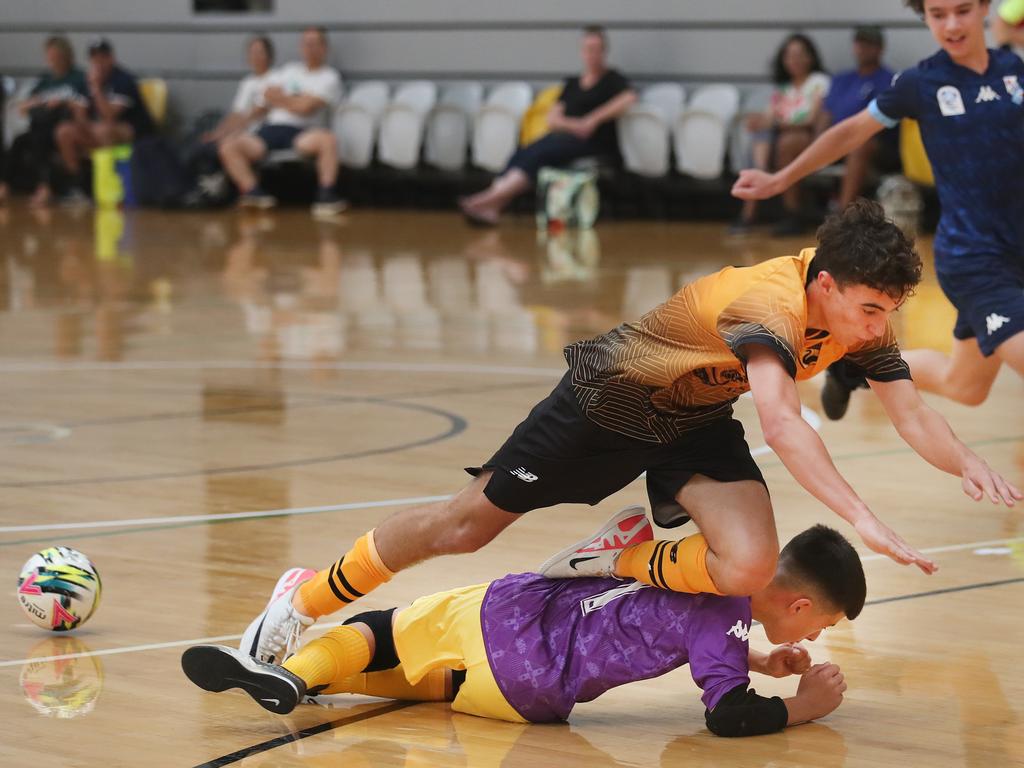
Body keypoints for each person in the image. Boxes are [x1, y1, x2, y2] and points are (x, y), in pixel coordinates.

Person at [236, 199, 1019, 668]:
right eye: (872, 312)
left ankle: (617, 555)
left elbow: (912, 409)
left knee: (747, 564)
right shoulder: (766, 301)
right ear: (824, 284)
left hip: (692, 419)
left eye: (888, 314)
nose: (880, 330)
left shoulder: (858, 316)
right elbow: (780, 420)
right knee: (463, 527)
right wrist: (865, 517)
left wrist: (968, 461)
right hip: (608, 402)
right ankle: (303, 598)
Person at [183, 521, 858, 737]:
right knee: (436, 682)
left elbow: (722, 697)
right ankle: (301, 689)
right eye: (823, 623)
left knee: (383, 629)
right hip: (528, 696)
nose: (818, 637)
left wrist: (776, 679)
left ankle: (290, 672)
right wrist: (797, 699)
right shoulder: (730, 620)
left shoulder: (716, 573)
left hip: (515, 616)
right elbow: (727, 709)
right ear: (797, 607)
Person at [732, 0, 1024, 419]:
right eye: (938, 14)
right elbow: (850, 131)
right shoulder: (921, 83)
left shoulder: (1013, 70)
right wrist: (781, 178)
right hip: (975, 258)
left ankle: (855, 367)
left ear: (984, 8)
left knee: (965, 386)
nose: (951, 24)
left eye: (962, 10)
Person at [458, 26, 636, 226]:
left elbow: (628, 98)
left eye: (596, 49)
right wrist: (575, 125)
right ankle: (494, 202)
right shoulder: (572, 84)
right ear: (581, 52)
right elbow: (553, 119)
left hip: (594, 142)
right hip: (564, 137)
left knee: (541, 155)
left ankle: (491, 199)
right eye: (588, 49)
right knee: (524, 152)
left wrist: (592, 120)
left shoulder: (612, 80)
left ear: (604, 51)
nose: (592, 55)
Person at [217, 26, 346, 218]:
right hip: (271, 130)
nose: (309, 48)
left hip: (302, 132)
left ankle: (326, 195)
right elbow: (267, 96)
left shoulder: (329, 77)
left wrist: (283, 100)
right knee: (229, 146)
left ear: (324, 48)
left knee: (328, 140)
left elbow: (306, 108)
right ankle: (254, 193)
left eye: (314, 43)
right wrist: (297, 99)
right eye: (305, 43)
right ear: (300, 47)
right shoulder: (288, 71)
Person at [732, 33, 830, 236]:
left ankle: (757, 209)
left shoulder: (818, 82)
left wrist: (775, 123)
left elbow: (811, 120)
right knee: (761, 135)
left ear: (810, 57)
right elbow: (769, 118)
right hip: (781, 137)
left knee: (781, 141)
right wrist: (759, 122)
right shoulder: (782, 89)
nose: (793, 60)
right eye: (788, 55)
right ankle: (760, 187)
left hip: (807, 136)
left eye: (798, 54)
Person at [53, 38, 155, 205]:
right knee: (64, 131)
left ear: (111, 58)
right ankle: (80, 186)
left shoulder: (123, 80)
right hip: (98, 129)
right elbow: (82, 118)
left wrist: (97, 88)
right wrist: (77, 110)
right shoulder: (85, 82)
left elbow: (109, 115)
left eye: (103, 58)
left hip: (133, 131)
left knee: (104, 130)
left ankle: (114, 187)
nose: (99, 63)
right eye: (94, 59)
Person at [815, 26, 899, 211]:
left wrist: (848, 137)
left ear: (880, 48)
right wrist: (818, 141)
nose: (863, 48)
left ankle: (843, 214)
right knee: (792, 143)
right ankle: (795, 212)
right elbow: (826, 112)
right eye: (860, 43)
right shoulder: (841, 79)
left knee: (860, 145)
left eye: (869, 44)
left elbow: (881, 123)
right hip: (837, 141)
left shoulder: (888, 80)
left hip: (875, 144)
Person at [184, 35, 275, 204]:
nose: (255, 57)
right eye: (252, 53)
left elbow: (255, 113)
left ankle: (222, 190)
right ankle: (206, 188)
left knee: (223, 145)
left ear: (269, 56)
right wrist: (217, 133)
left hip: (258, 134)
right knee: (202, 145)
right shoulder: (247, 82)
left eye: (259, 52)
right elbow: (236, 114)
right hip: (240, 132)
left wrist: (227, 134)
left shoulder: (275, 80)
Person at [1, 36, 88, 208]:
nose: (53, 61)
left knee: (39, 140)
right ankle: (4, 184)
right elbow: (24, 104)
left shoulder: (79, 78)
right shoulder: (45, 80)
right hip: (41, 126)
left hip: (63, 125)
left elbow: (84, 104)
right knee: (19, 141)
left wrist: (62, 102)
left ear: (67, 56)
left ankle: (45, 187)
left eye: (57, 57)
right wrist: (39, 103)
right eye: (50, 57)